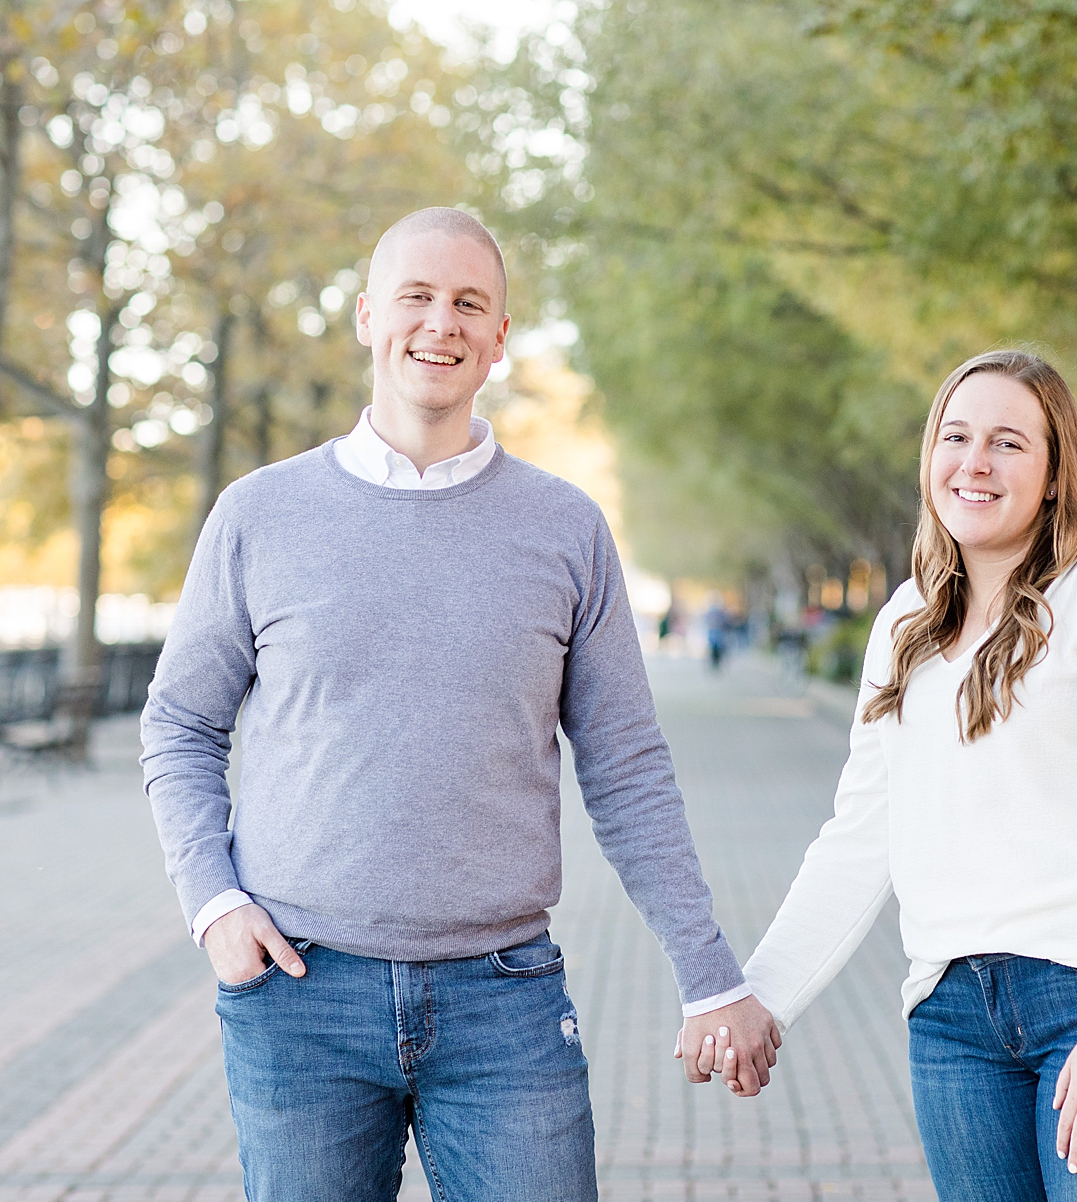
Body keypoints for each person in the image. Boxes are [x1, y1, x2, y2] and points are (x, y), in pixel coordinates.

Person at [141, 207, 778, 1202]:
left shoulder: (566, 529)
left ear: (498, 339)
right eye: (416, 297)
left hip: (505, 1000)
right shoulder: (258, 515)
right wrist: (212, 900)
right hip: (299, 996)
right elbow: (180, 722)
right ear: (366, 317)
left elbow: (626, 764)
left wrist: (711, 972)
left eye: (468, 303)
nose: (439, 323)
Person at [709, 349, 1077, 1200]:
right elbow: (861, 836)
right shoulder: (904, 623)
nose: (974, 462)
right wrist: (762, 995)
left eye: (1008, 443)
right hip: (954, 1018)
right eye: (955, 436)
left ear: (1057, 474)